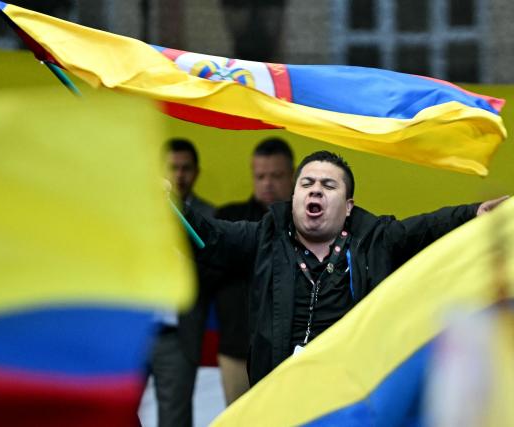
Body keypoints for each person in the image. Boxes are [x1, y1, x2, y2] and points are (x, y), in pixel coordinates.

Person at [186, 150, 508, 386]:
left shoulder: (376, 239)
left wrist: (473, 214)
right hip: (277, 395)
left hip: (346, 397)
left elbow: (426, 229)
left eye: (328, 186)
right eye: (307, 183)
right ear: (295, 194)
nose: (315, 190)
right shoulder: (265, 236)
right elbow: (209, 237)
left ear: (349, 206)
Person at [214, 137, 294, 404]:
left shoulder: (308, 222)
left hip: (291, 353)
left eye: (276, 175)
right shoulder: (228, 217)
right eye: (260, 176)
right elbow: (207, 270)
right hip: (237, 348)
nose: (267, 183)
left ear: (292, 176)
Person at [148, 138, 216, 427]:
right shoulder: (137, 211)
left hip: (178, 332)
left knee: (174, 418)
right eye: (172, 168)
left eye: (185, 169)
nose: (178, 176)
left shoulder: (210, 216)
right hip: (135, 329)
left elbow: (214, 268)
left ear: (196, 172)